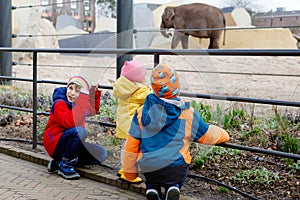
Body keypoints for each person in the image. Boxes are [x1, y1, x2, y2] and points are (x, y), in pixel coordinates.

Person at [122, 64, 230, 200]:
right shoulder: (187, 113)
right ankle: (173, 187)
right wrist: (224, 134)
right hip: (175, 168)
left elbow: (131, 145)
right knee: (177, 166)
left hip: (149, 167)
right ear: (176, 87)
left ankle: (152, 188)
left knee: (150, 171)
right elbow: (206, 135)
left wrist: (129, 173)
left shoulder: (141, 112)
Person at [43, 75, 108, 180]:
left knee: (101, 154)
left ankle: (59, 162)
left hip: (71, 143)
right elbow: (70, 122)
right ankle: (66, 165)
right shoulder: (59, 103)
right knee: (79, 131)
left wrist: (95, 92)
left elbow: (92, 110)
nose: (72, 93)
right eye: (70, 88)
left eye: (77, 91)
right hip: (55, 142)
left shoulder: (79, 104)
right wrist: (82, 101)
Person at [113, 60, 152, 183]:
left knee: (125, 147)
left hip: (123, 122)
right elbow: (151, 98)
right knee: (132, 149)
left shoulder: (122, 87)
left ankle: (123, 168)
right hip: (133, 125)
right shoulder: (139, 90)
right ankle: (127, 172)